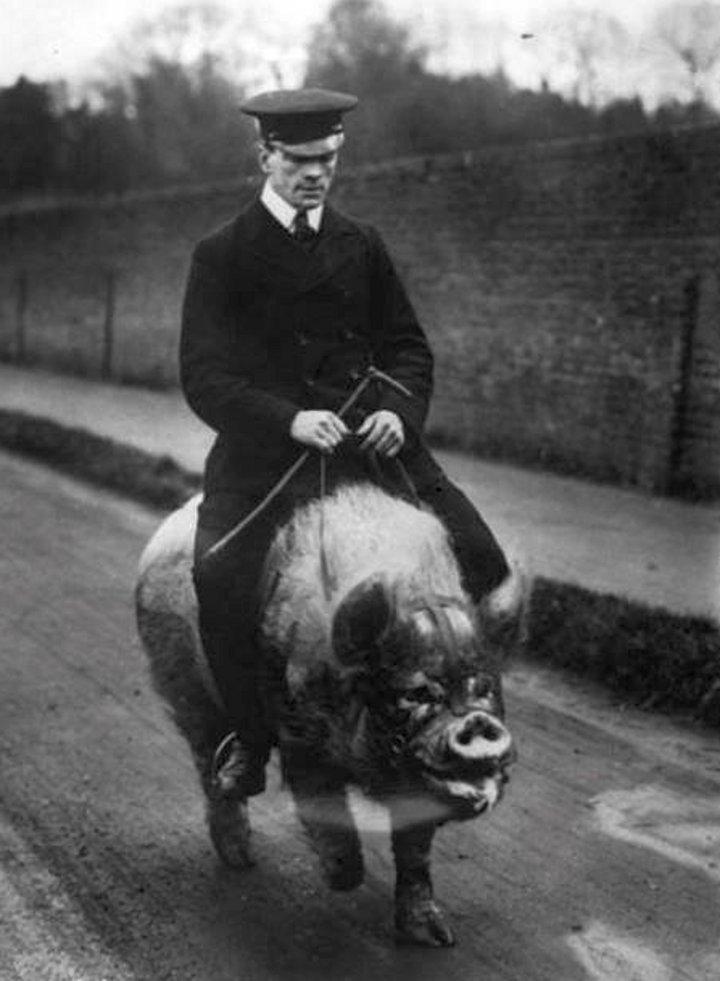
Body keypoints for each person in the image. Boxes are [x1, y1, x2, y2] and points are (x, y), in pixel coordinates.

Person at [180, 87, 511, 798]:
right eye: (299, 161)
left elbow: (409, 348)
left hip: (370, 444)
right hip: (269, 457)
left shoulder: (361, 244)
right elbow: (203, 378)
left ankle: (457, 712)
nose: (315, 175)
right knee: (219, 578)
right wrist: (287, 419)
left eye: (327, 160)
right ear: (265, 156)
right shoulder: (222, 254)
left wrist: (399, 411)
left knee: (484, 561)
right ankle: (251, 738)